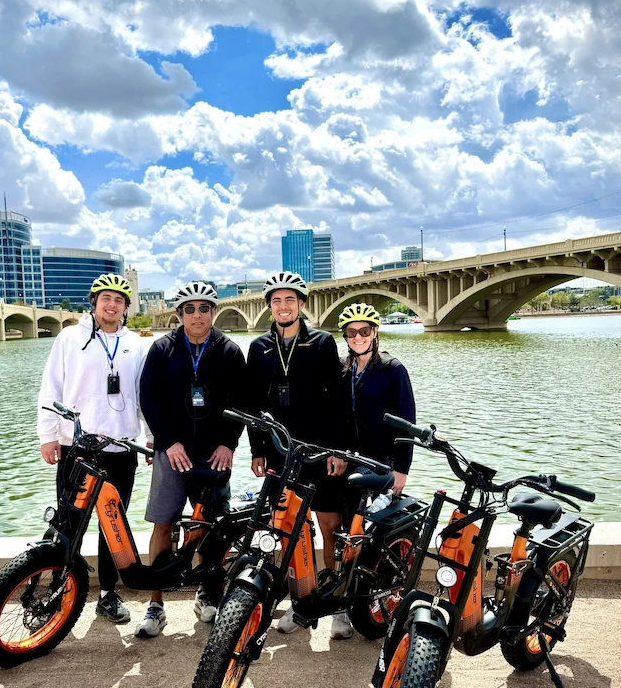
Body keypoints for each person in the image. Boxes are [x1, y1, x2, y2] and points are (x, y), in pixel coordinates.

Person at [37, 273, 149, 624]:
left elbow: (144, 395)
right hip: (78, 447)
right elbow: (50, 388)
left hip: (121, 449)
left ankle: (107, 594)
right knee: (69, 522)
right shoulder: (70, 338)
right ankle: (57, 590)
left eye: (119, 300)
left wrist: (150, 437)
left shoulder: (136, 344)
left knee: (113, 525)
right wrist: (48, 435)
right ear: (94, 302)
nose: (112, 305)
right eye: (105, 299)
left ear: (126, 307)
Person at [137, 281, 247, 638]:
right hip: (173, 454)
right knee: (163, 525)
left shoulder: (230, 351)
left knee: (214, 530)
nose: (197, 315)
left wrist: (228, 444)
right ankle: (156, 604)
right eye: (189, 309)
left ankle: (207, 593)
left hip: (214, 456)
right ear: (179, 313)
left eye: (204, 308)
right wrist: (168, 443)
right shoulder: (162, 350)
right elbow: (149, 400)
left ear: (213, 312)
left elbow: (242, 404)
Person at [245, 271, 351, 639]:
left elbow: (337, 402)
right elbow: (253, 404)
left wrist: (338, 451)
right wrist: (257, 448)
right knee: (285, 528)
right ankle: (300, 602)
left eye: (290, 299)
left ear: (302, 305)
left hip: (319, 452)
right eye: (276, 300)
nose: (283, 306)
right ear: (269, 307)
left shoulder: (322, 343)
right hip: (278, 452)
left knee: (330, 526)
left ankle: (337, 604)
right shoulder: (258, 347)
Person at [337, 303, 416, 512]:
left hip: (384, 461)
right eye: (351, 332)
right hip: (351, 458)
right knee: (350, 526)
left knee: (383, 528)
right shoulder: (342, 368)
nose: (358, 337)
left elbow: (407, 423)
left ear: (375, 332)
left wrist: (402, 469)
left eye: (364, 331)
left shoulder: (392, 369)